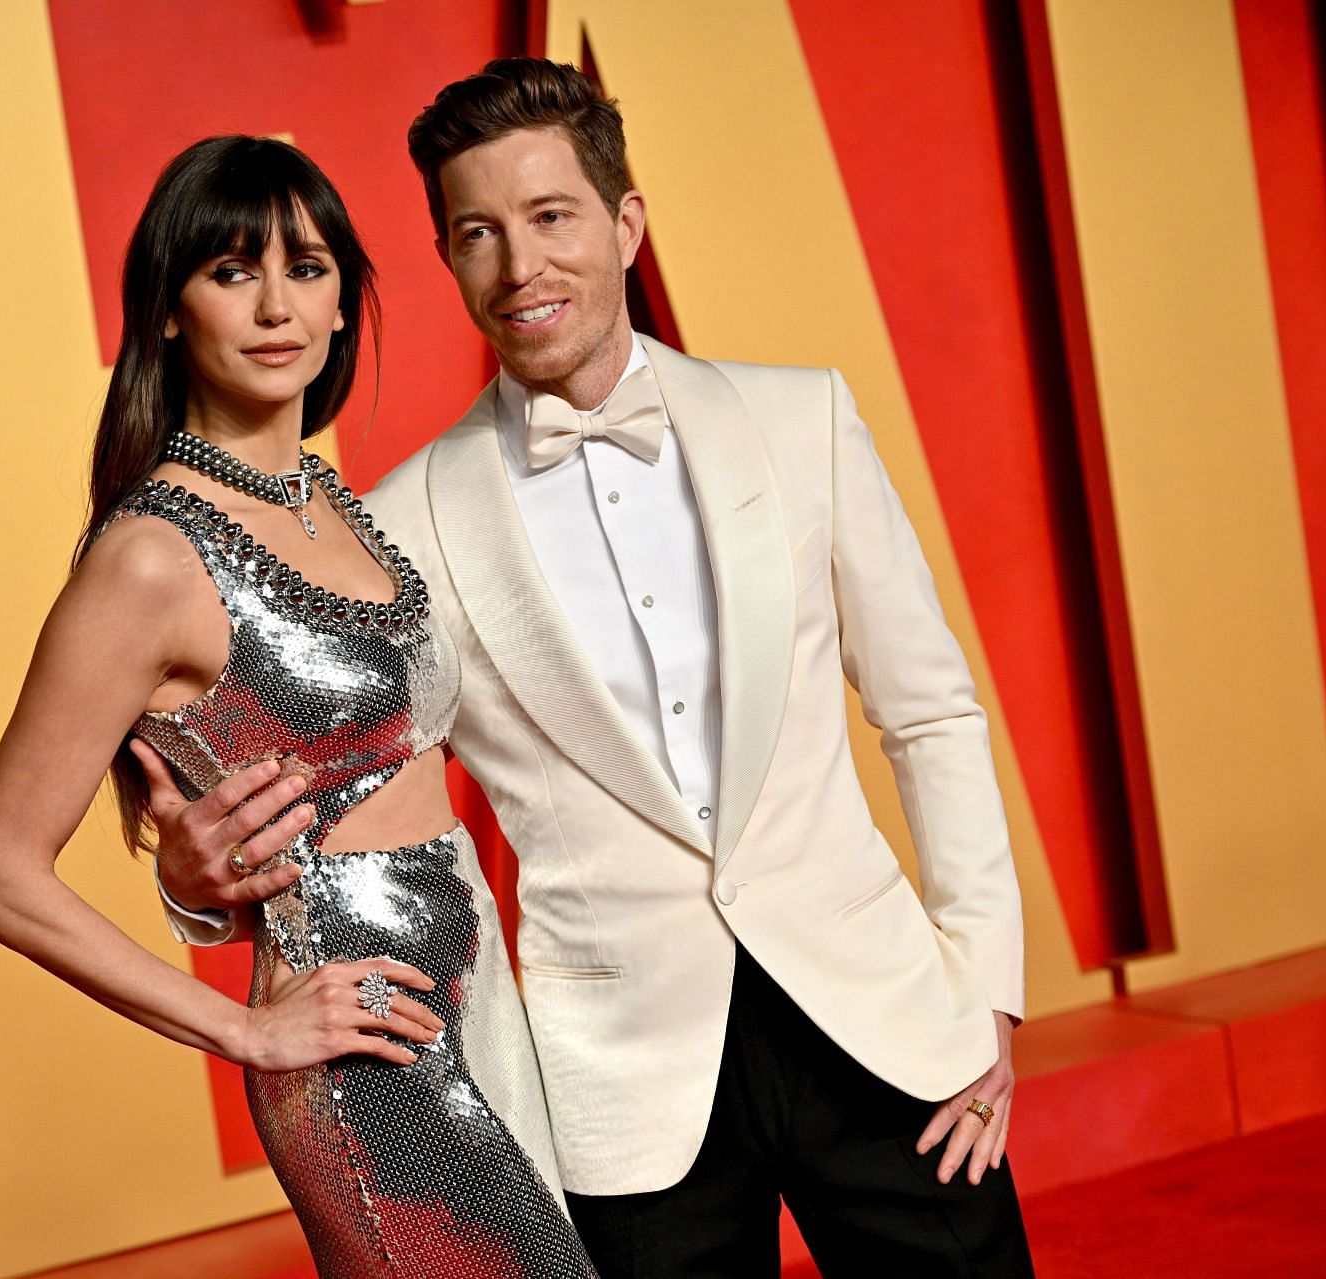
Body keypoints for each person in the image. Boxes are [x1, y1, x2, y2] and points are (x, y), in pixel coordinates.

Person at [150, 61, 1036, 1277]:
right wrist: (202, 891)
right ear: (448, 261)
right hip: (622, 1091)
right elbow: (339, 796)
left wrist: (984, 986)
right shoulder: (396, 523)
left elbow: (930, 713)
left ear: (626, 222)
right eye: (478, 234)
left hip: (882, 1034)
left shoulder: (804, 421)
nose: (522, 268)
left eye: (553, 217)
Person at [0, 134, 599, 1278]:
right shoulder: (152, 557)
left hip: (476, 987)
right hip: (363, 1038)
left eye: (305, 268)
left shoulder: (335, 501)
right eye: (230, 271)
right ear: (167, 308)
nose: (275, 307)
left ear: (347, 299)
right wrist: (247, 1031)